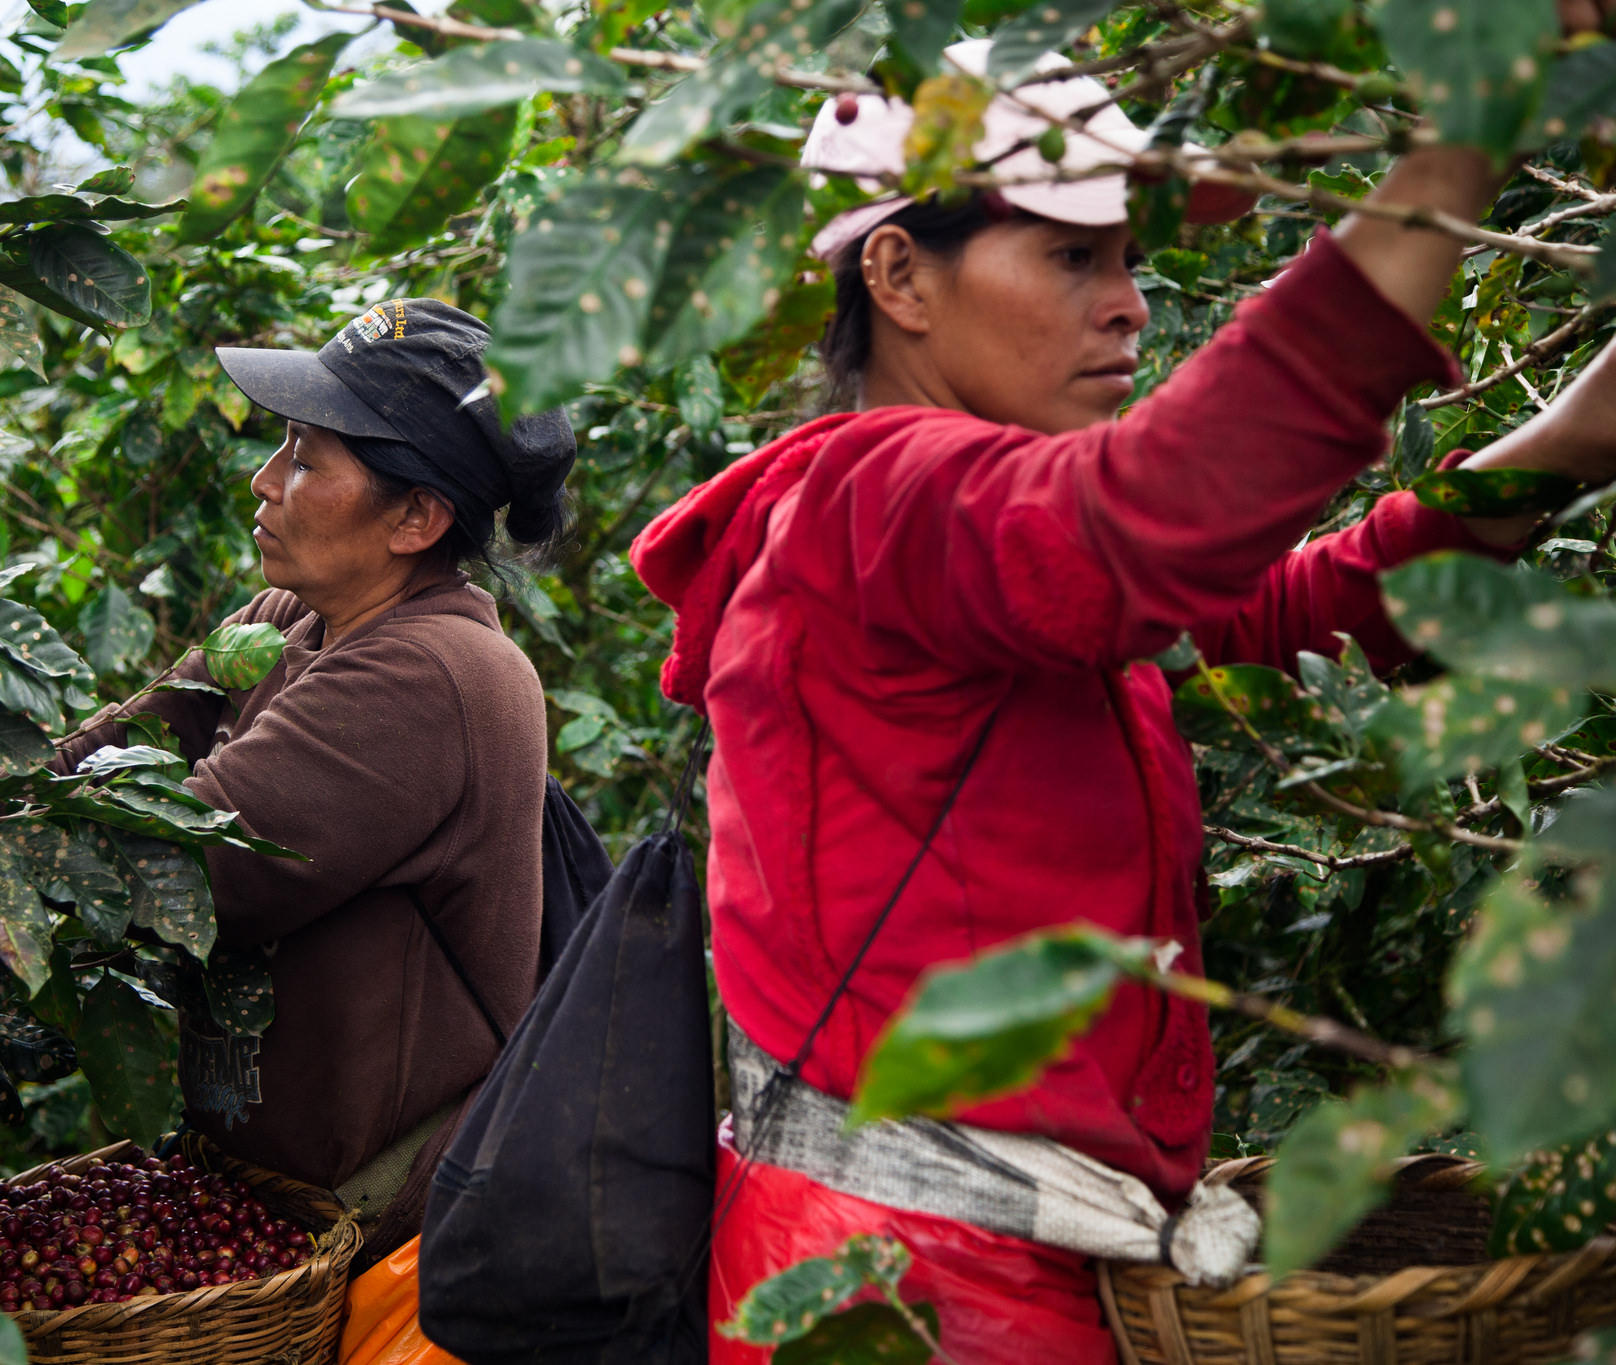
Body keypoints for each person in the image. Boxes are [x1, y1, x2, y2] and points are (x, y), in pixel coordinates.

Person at [630, 28, 1616, 1365]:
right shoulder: (876, 502)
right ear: (901, 274)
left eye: (1129, 260)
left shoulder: (985, 544)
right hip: (902, 1293)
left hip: (984, 1259)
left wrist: (1571, 440)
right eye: (1074, 254)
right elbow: (1155, 516)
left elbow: (1302, 610)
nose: (1131, 304)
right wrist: (1460, 143)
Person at [55, 299, 574, 1294]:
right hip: (267, 1203)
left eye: (304, 457)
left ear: (416, 517)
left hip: (381, 1237)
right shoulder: (286, 621)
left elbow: (178, 865)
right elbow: (100, 758)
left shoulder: (436, 673)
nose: (264, 481)